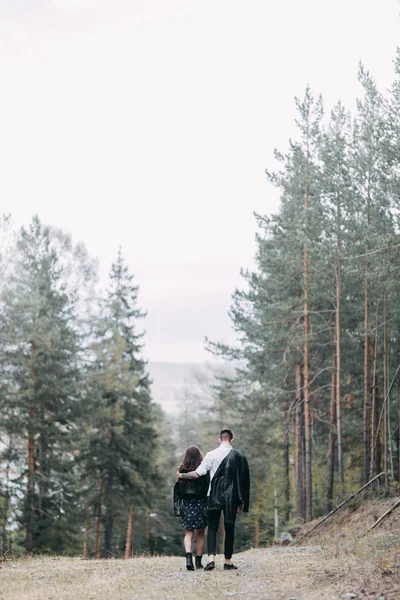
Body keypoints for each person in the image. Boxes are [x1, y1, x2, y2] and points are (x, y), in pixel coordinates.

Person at [177, 428, 250, 571]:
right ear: (231, 439)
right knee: (229, 528)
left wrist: (182, 476)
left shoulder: (211, 455)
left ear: (219, 439)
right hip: (231, 498)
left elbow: (198, 474)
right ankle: (228, 561)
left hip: (213, 496)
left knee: (212, 528)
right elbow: (242, 481)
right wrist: (241, 502)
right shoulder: (239, 456)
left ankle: (211, 560)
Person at [174, 445, 209, 570]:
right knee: (201, 533)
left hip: (186, 504)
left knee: (188, 533)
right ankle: (198, 562)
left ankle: (189, 560)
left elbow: (179, 489)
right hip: (201, 503)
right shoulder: (203, 468)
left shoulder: (181, 470)